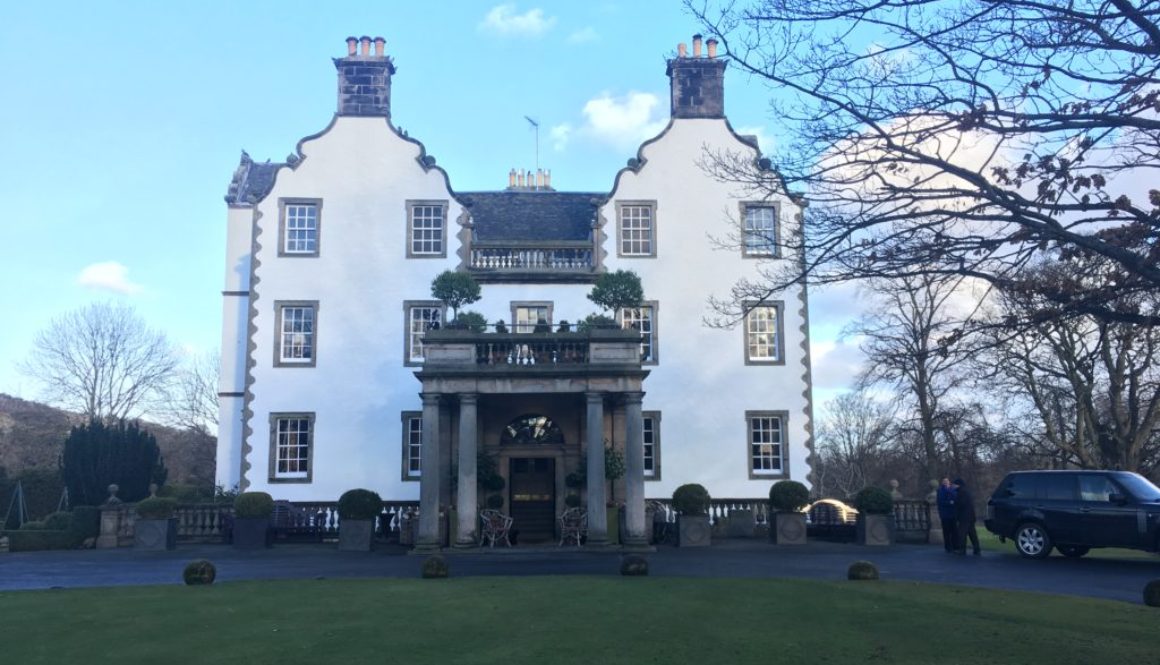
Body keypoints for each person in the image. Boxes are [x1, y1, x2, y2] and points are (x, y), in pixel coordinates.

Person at [953, 478, 981, 555]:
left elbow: (961, 503)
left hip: (964, 517)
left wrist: (954, 502)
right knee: (972, 533)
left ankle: (962, 549)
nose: (953, 486)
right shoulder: (966, 491)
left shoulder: (961, 492)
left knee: (962, 533)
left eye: (954, 484)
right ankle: (977, 549)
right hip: (970, 516)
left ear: (958, 484)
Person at [936, 477, 958, 553]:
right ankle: (948, 546)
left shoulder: (953, 489)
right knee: (947, 531)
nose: (945, 482)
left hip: (953, 513)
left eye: (947, 481)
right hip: (945, 514)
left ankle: (955, 545)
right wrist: (950, 502)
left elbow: (955, 498)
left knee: (954, 531)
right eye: (944, 481)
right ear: (942, 483)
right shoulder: (940, 490)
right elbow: (941, 501)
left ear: (949, 482)